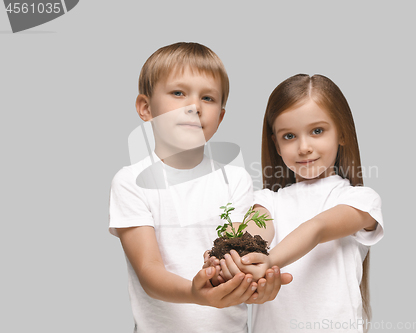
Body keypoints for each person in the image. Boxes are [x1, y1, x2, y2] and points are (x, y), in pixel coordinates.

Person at [109, 42, 290, 333]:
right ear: (146, 107)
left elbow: (237, 257)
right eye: (178, 93)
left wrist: (258, 284)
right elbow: (149, 271)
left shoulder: (237, 179)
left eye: (207, 97)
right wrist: (195, 294)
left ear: (219, 116)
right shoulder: (131, 182)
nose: (193, 106)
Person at [213, 74, 384, 333]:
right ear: (277, 145)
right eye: (289, 136)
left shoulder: (360, 200)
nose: (304, 147)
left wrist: (270, 262)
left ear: (342, 133)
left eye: (317, 131)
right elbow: (255, 235)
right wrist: (232, 258)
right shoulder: (266, 200)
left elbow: (317, 229)